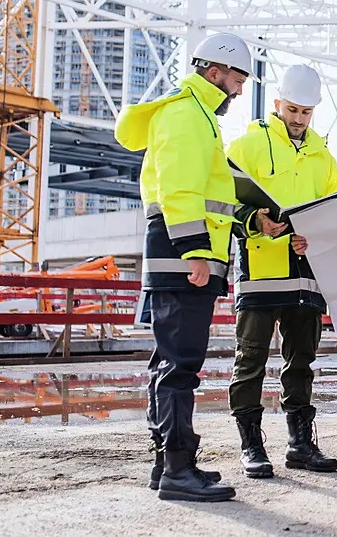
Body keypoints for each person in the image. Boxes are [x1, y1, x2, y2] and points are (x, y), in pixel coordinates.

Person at [115, 32, 254, 502]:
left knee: (170, 363)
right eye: (237, 79)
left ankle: (168, 464)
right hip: (182, 256)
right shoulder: (185, 113)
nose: (238, 90)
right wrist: (195, 252)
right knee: (180, 366)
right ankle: (177, 471)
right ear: (214, 71)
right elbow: (178, 190)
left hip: (183, 254)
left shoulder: (196, 116)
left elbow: (214, 194)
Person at [226, 64, 337, 479]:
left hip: (306, 273)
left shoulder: (324, 158)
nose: (298, 118)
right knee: (251, 358)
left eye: (306, 112)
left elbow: (332, 214)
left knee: (301, 361)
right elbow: (222, 201)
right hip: (260, 269)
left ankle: (300, 443)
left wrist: (316, 236)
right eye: (292, 109)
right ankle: (251, 444)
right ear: (277, 104)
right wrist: (254, 220)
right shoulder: (247, 146)